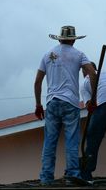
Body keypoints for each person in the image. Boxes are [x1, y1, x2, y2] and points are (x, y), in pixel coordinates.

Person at [34, 25, 96, 185]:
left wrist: (38, 104)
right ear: (73, 40)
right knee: (71, 141)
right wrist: (94, 98)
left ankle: (46, 178)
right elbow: (92, 73)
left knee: (49, 141)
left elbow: (38, 81)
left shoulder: (47, 54)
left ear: (59, 38)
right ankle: (72, 176)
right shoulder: (79, 54)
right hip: (70, 103)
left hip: (52, 102)